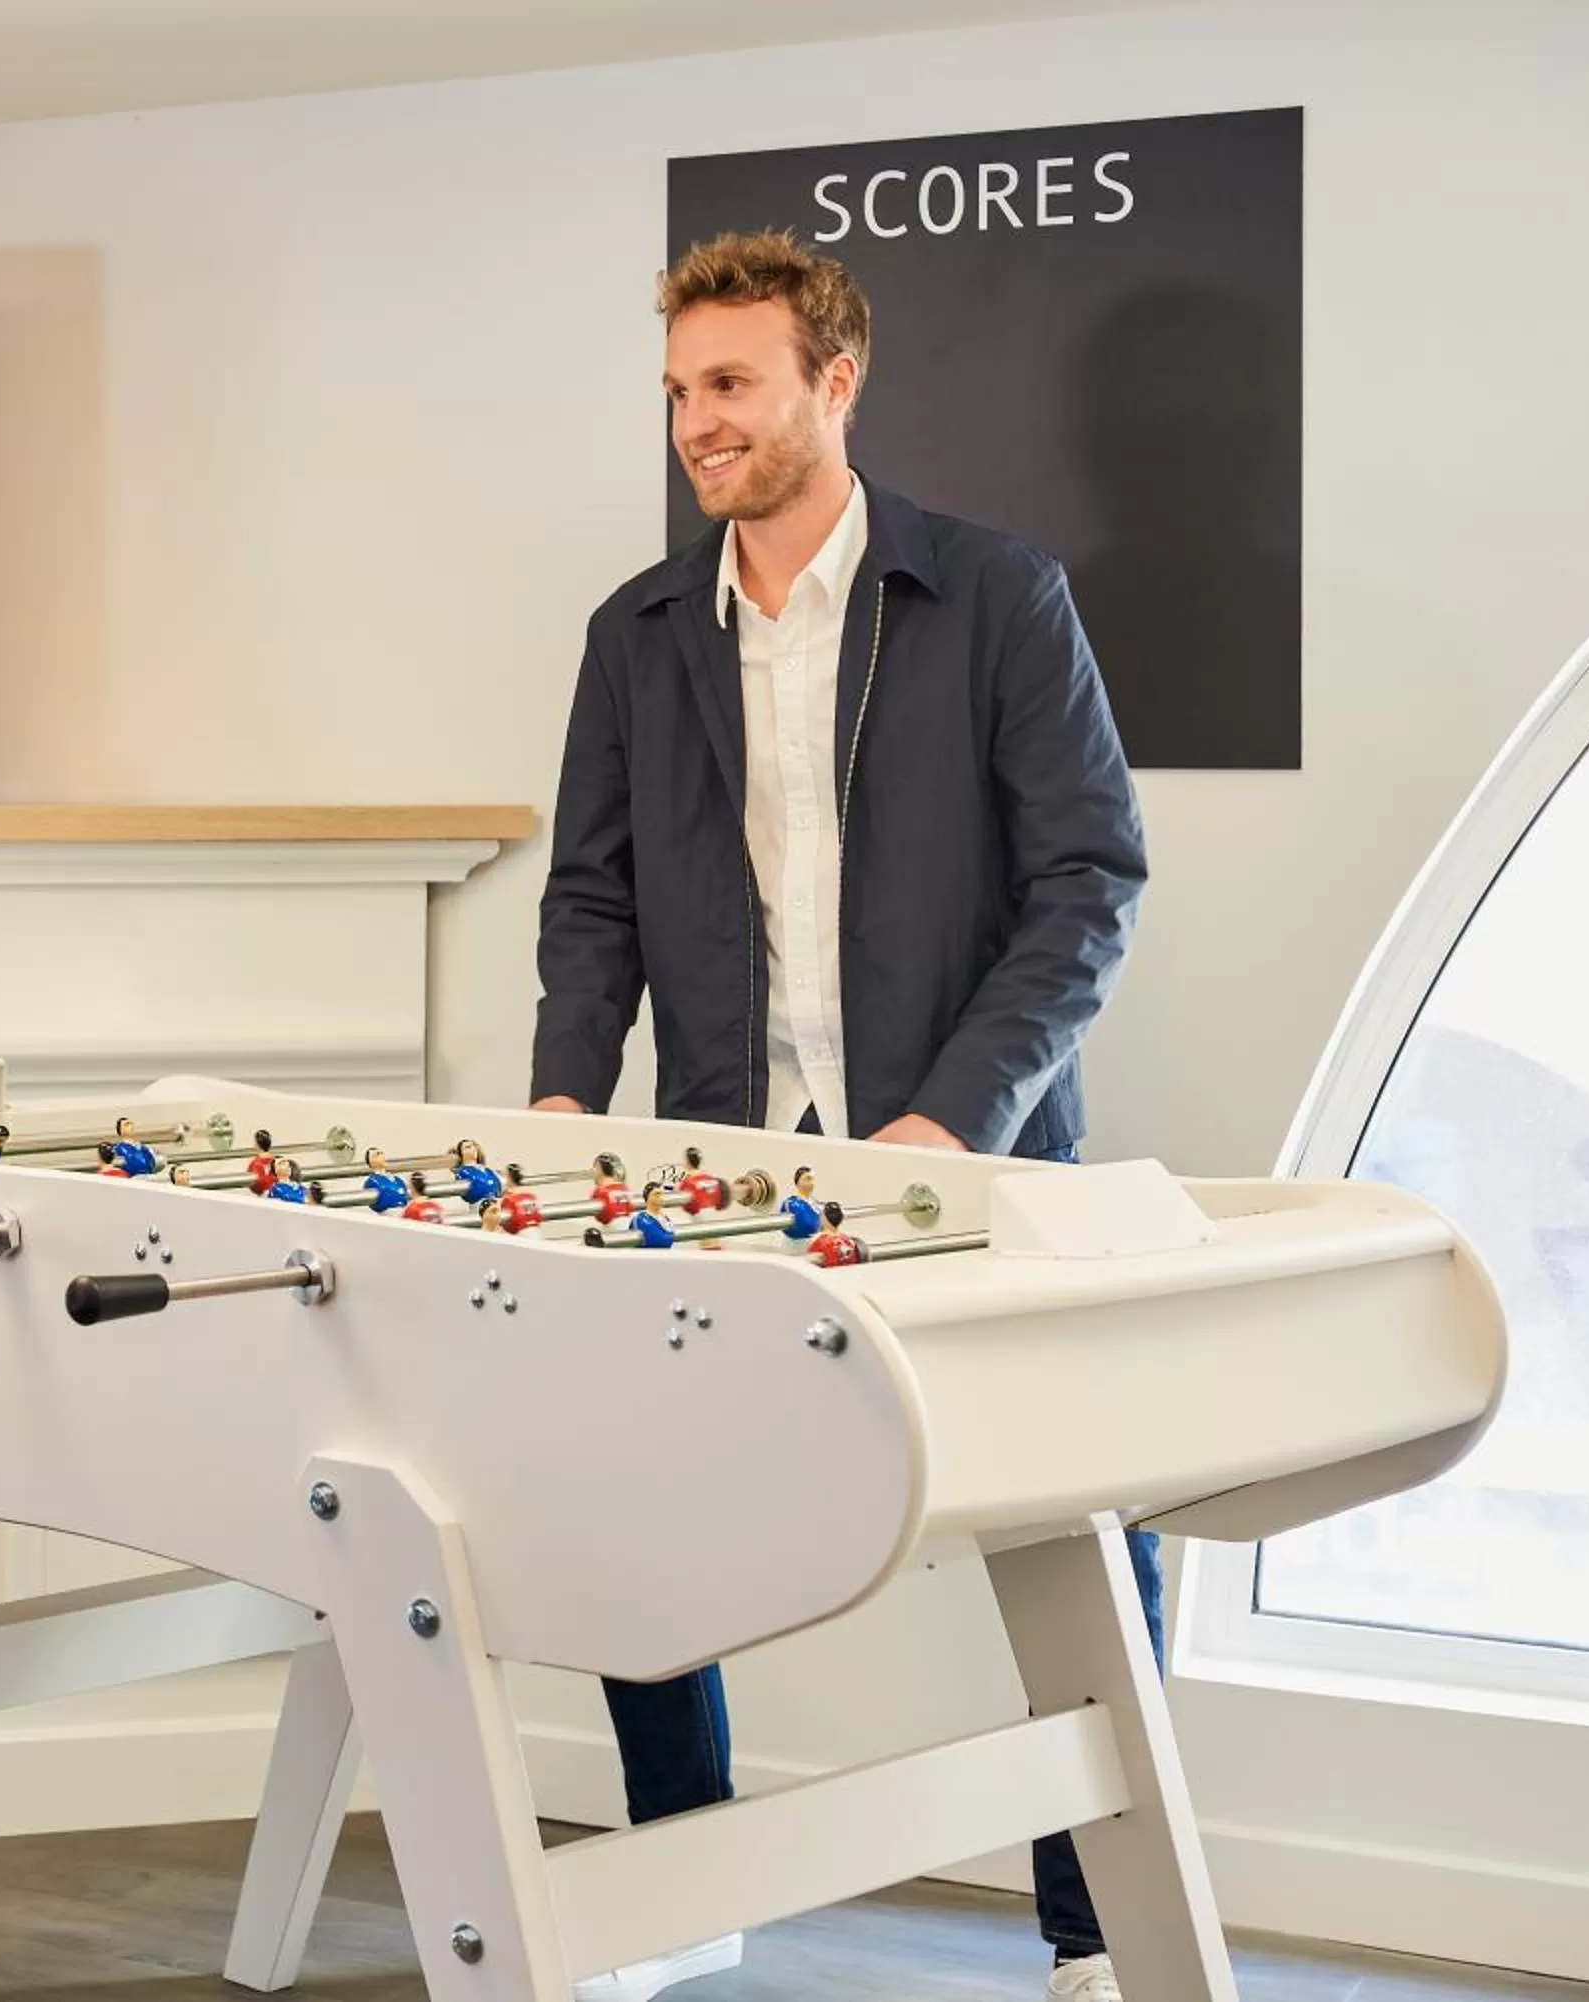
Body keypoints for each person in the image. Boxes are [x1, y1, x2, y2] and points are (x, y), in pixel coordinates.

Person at [528, 231, 1152, 2002]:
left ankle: (1097, 1932)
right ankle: (689, 1878)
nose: (696, 424)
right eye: (678, 391)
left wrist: (958, 1118)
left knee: (1083, 1528)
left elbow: (1088, 881)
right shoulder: (635, 635)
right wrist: (570, 1109)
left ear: (833, 382)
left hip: (969, 1169)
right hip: (715, 1174)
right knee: (615, 1500)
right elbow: (592, 903)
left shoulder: (999, 597)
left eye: (729, 384)